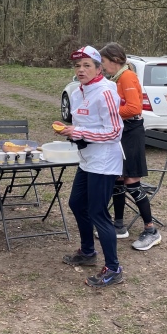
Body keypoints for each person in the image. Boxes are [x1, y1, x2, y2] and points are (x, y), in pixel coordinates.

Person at [58, 45, 125, 288]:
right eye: (78, 65)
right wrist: (72, 132)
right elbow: (85, 125)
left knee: (98, 212)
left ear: (99, 68)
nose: (81, 70)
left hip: (104, 162)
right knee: (76, 203)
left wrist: (79, 132)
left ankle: (114, 268)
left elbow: (115, 132)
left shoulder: (105, 91)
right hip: (87, 159)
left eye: (87, 65)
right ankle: (88, 251)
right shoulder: (78, 91)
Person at [99, 42, 161, 251]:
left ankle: (151, 229)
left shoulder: (126, 77)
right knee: (118, 178)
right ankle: (119, 225)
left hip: (132, 133)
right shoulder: (117, 78)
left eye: (104, 62)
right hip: (122, 132)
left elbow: (134, 108)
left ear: (115, 60)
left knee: (132, 182)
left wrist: (110, 112)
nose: (102, 66)